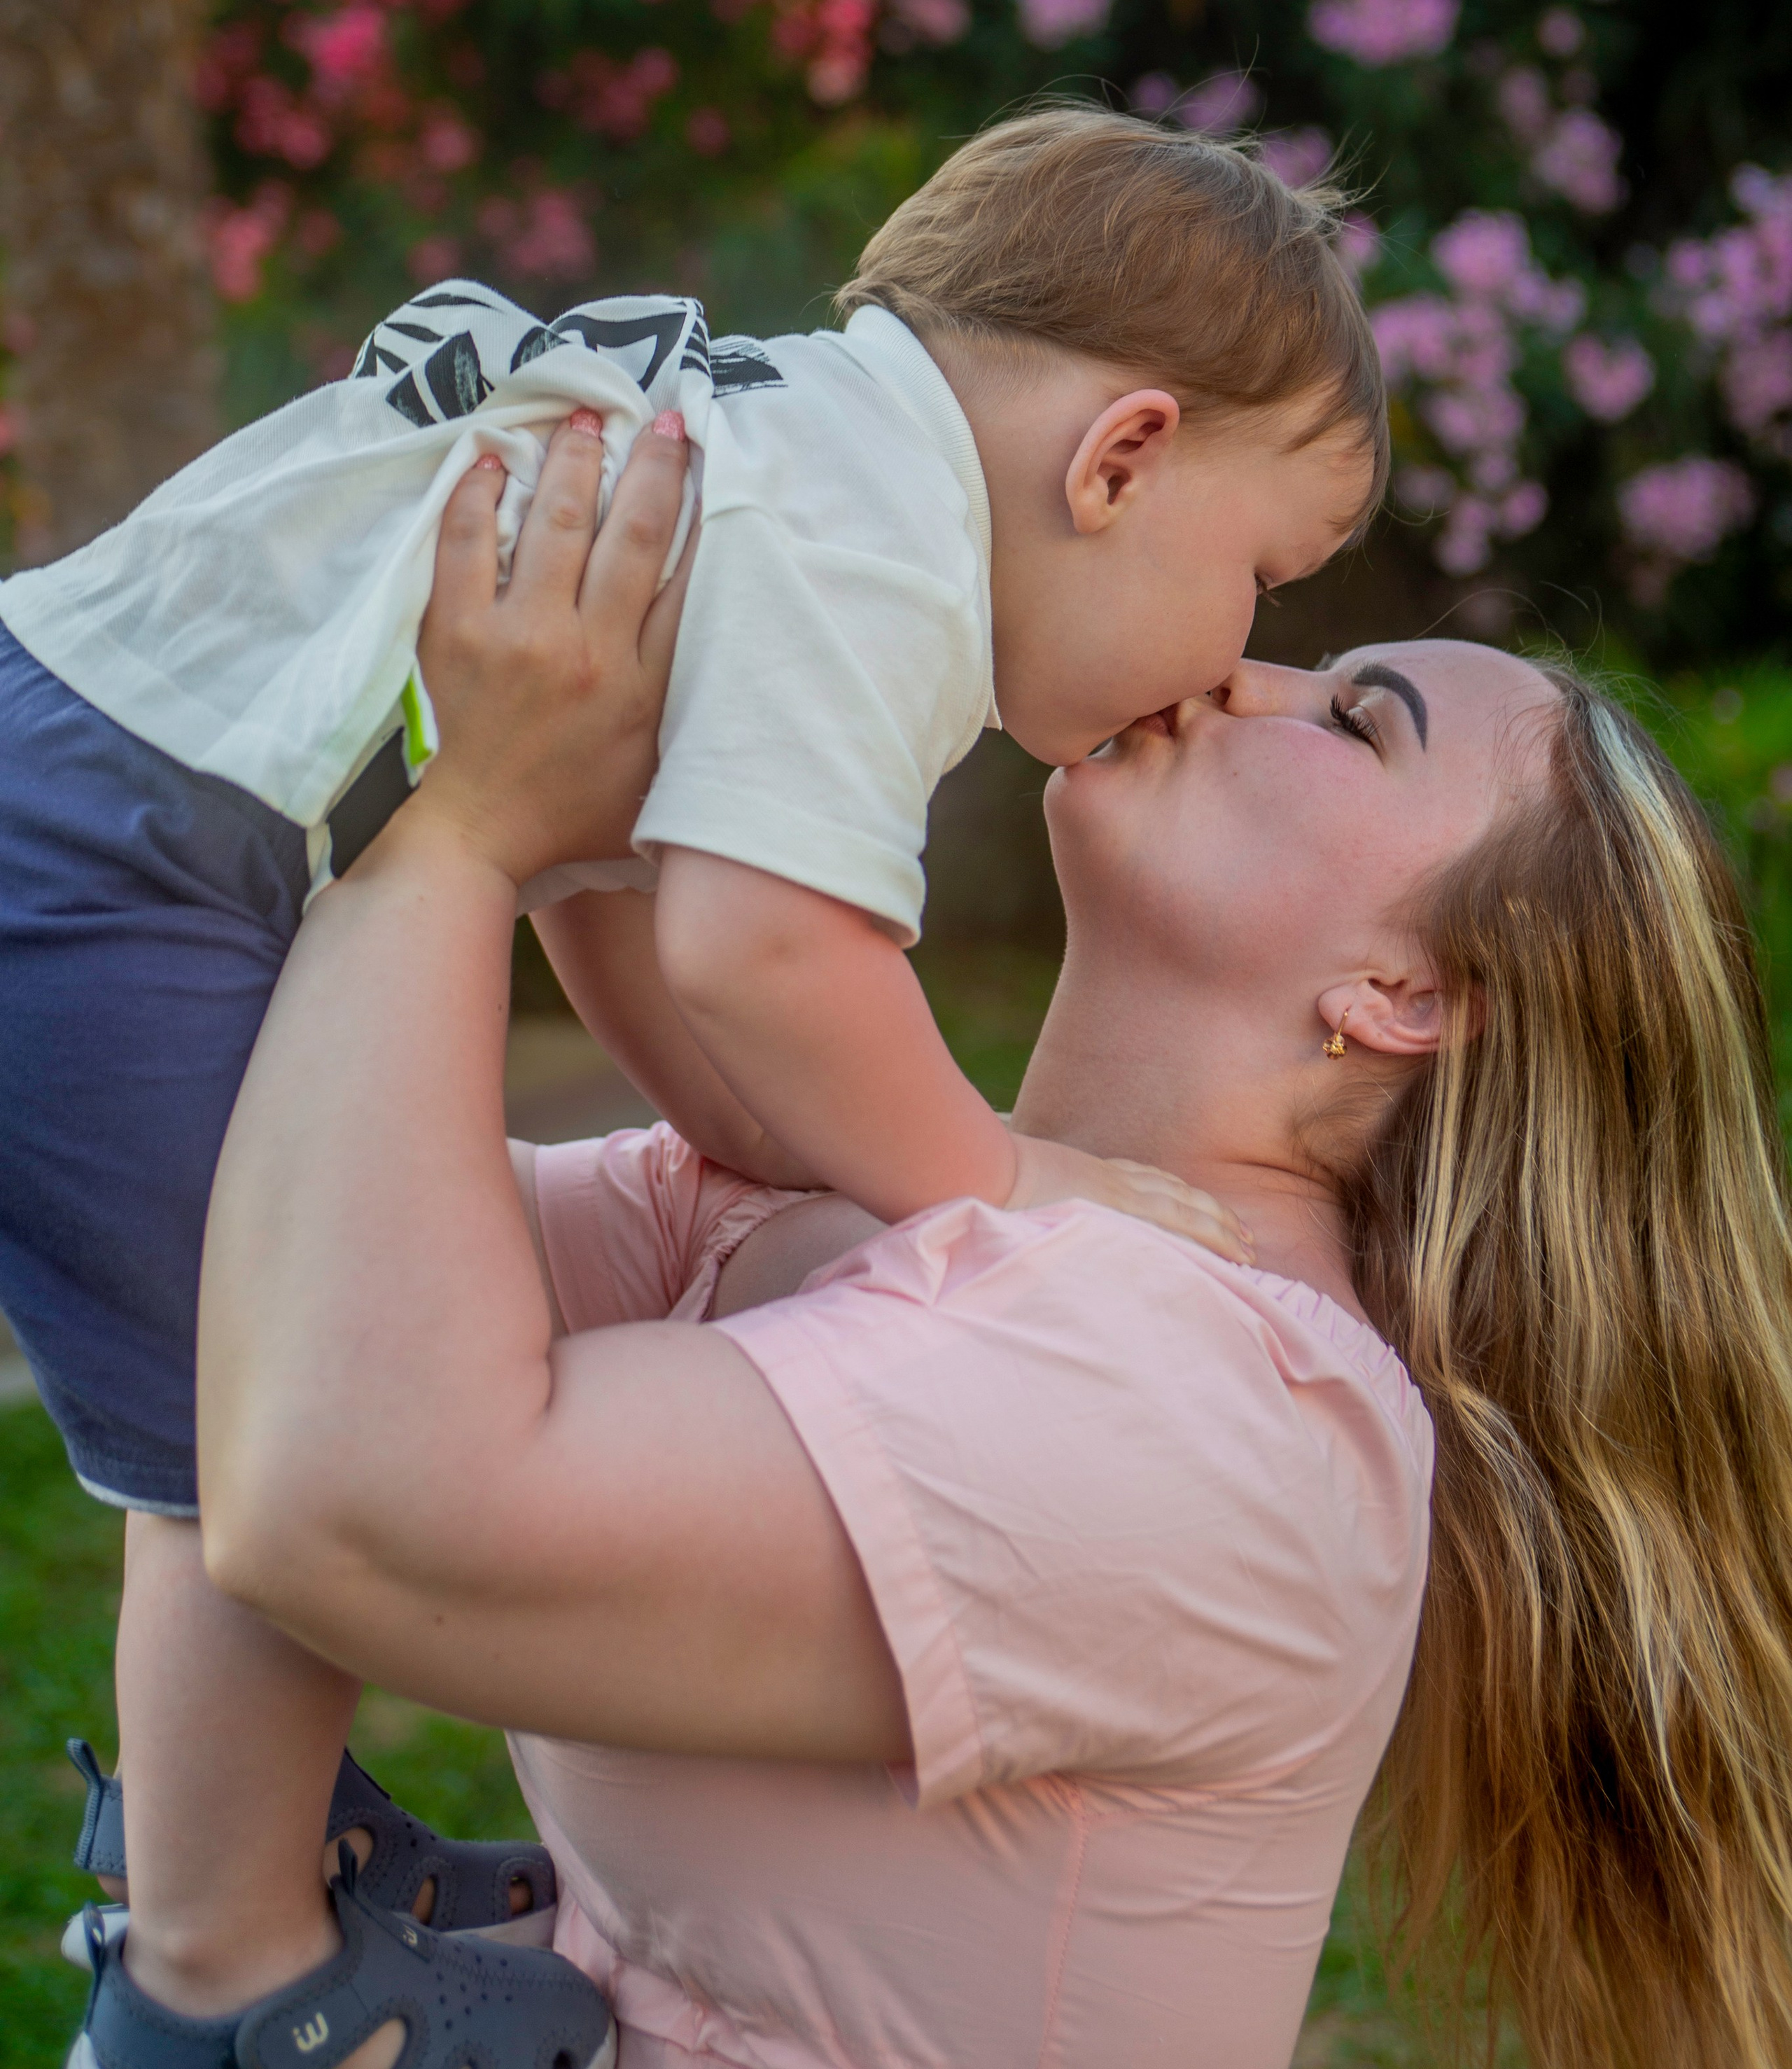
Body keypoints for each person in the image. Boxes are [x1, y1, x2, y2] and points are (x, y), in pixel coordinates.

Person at [3, 108, 1382, 2063]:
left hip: (88, 794)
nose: (1244, 654)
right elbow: (774, 949)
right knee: (231, 1434)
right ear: (1124, 455)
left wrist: (744, 1125)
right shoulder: (876, 559)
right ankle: (230, 1975)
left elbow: (608, 890)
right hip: (107, 853)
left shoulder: (783, 450)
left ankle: (283, 1846)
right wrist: (992, 1178)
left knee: (228, 1392)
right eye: (1267, 572)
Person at [167, 417, 1792, 2069]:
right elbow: (236, 1254)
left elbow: (343, 1497)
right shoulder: (867, 1219)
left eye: (1357, 719)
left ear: (1410, 995)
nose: (1244, 671)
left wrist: (466, 832)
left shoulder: (1216, 1417)